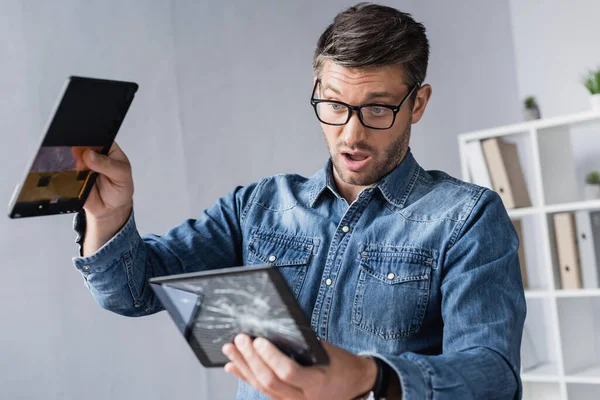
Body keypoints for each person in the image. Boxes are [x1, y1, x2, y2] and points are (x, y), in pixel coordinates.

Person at [71, 3, 526, 399]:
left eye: (377, 108)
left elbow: (492, 376)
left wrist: (370, 378)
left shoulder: (466, 218)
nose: (352, 133)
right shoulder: (257, 207)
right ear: (316, 91)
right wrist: (109, 216)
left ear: (418, 103)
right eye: (333, 104)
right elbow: (130, 294)